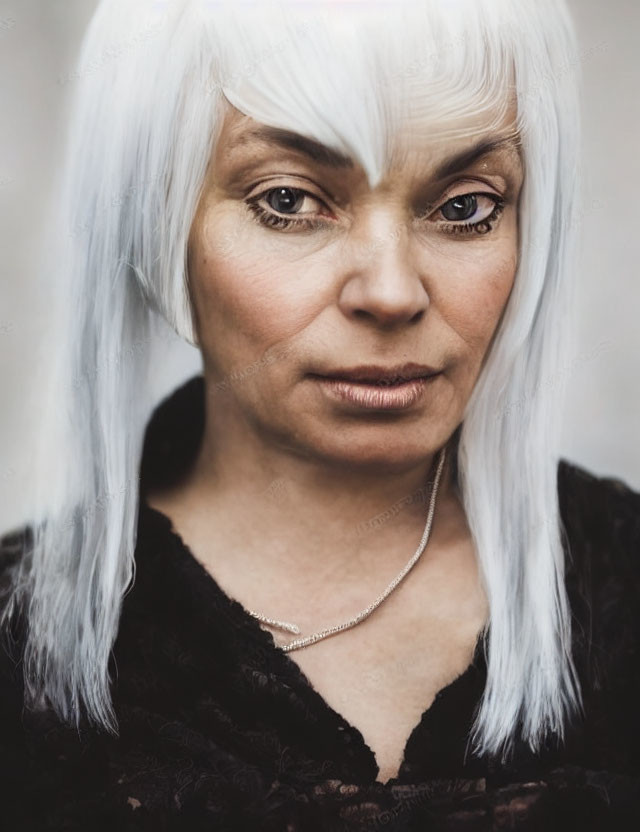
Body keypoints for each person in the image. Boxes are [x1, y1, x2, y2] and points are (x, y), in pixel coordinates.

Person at [1, 0, 638, 828]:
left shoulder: (621, 590)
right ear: (158, 220)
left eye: (463, 206)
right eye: (292, 201)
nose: (391, 292)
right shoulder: (20, 651)